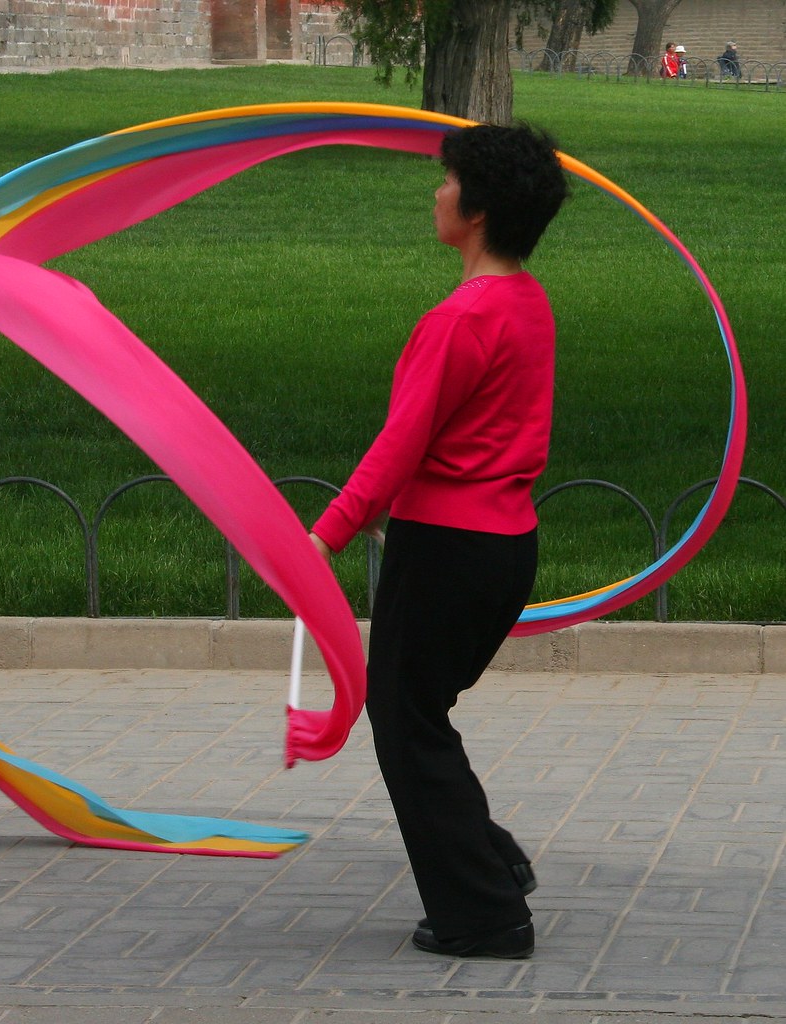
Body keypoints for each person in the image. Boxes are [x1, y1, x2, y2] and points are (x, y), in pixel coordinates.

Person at [309, 124, 569, 960]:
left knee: (405, 720)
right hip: (501, 547)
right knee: (419, 713)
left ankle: (486, 914)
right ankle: (492, 863)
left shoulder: (460, 319)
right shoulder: (526, 302)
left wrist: (328, 534)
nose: (436, 192)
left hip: (449, 550)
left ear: (479, 210)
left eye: (448, 181)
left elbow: (402, 440)